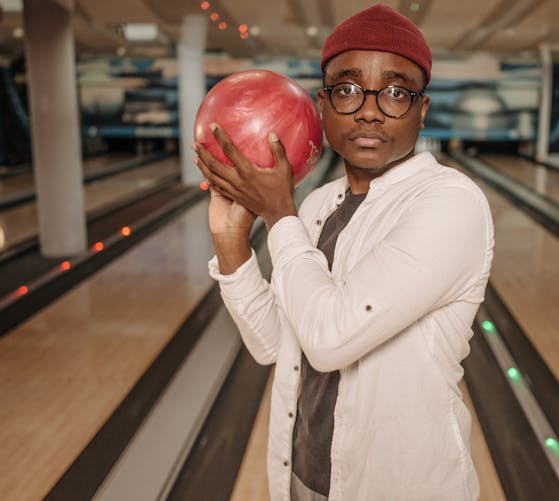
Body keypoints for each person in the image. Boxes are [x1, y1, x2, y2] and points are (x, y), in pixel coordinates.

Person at [194, 4, 494, 500]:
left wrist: (278, 215)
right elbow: (275, 343)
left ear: (422, 110)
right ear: (323, 106)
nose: (371, 109)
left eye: (396, 92)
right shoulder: (316, 205)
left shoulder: (451, 202)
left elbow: (330, 338)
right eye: (348, 89)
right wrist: (231, 245)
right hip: (303, 478)